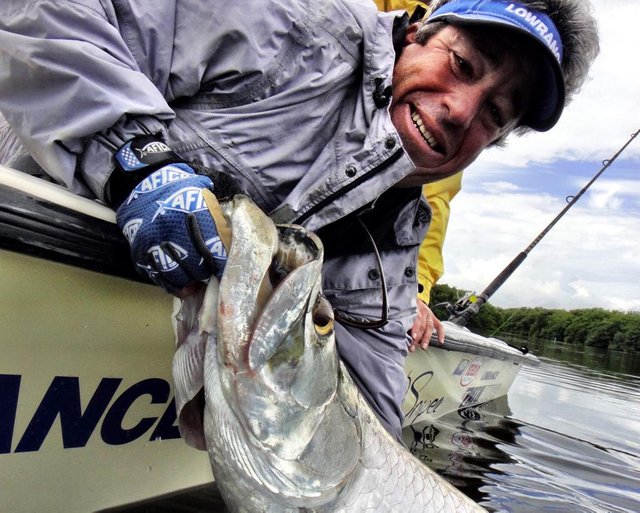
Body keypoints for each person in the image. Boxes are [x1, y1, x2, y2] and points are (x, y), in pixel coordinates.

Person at [0, 0, 599, 441]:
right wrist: (132, 158)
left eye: (494, 114)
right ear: (416, 34)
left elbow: (370, 433)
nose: (458, 111)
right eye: (464, 64)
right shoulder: (288, 25)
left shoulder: (393, 253)